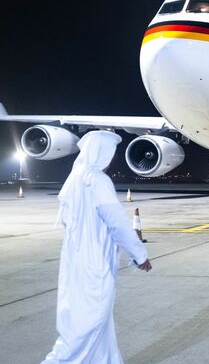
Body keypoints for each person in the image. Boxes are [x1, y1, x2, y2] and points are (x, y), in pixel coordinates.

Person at [42, 131, 151, 364]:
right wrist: (140, 255)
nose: (112, 158)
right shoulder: (97, 180)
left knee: (93, 322)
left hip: (74, 261)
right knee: (87, 325)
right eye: (110, 152)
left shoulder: (74, 180)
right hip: (94, 264)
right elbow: (117, 223)